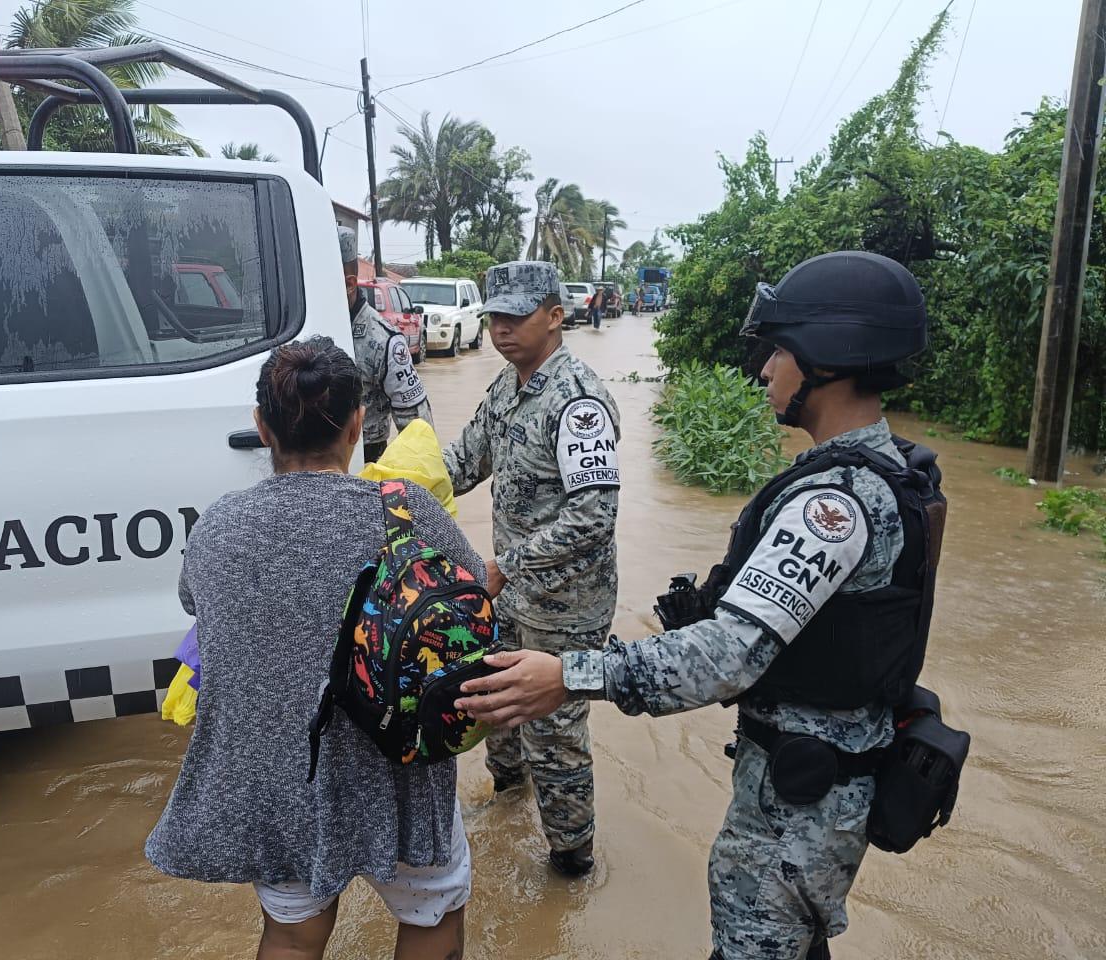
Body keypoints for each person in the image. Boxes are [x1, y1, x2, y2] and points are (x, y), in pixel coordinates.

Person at [455, 252, 945, 959]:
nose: (766, 369)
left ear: (832, 359)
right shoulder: (864, 475)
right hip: (808, 780)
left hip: (801, 800)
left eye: (781, 350)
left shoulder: (834, 504)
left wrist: (569, 675)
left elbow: (724, 655)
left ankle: (571, 854)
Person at [146, 337, 481, 960]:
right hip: (400, 769)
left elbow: (198, 604)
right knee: (431, 917)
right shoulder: (406, 512)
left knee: (295, 935)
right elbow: (468, 608)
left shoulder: (217, 525)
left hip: (281, 779)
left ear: (260, 428)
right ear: (358, 425)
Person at [442, 260, 621, 878]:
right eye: (495, 316)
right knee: (495, 704)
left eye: (518, 316)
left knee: (554, 729)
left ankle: (571, 857)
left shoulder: (578, 403)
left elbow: (595, 516)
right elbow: (462, 462)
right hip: (511, 594)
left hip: (565, 606)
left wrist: (505, 565)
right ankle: (507, 799)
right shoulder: (504, 389)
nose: (502, 329)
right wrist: (392, 490)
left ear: (555, 315)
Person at [338, 227, 434, 463]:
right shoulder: (301, 326)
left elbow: (417, 431)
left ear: (350, 284)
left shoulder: (383, 341)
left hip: (366, 460)